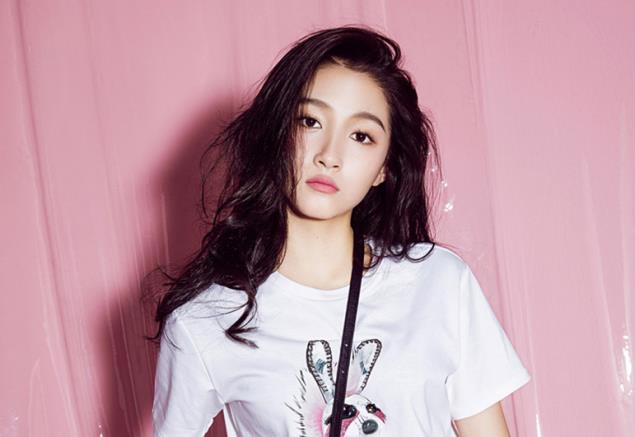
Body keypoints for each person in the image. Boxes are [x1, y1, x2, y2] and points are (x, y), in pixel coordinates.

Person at [147, 24, 531, 437]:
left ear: (384, 168)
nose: (330, 155)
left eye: (361, 136)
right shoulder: (205, 320)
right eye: (310, 121)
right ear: (276, 134)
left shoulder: (438, 283)